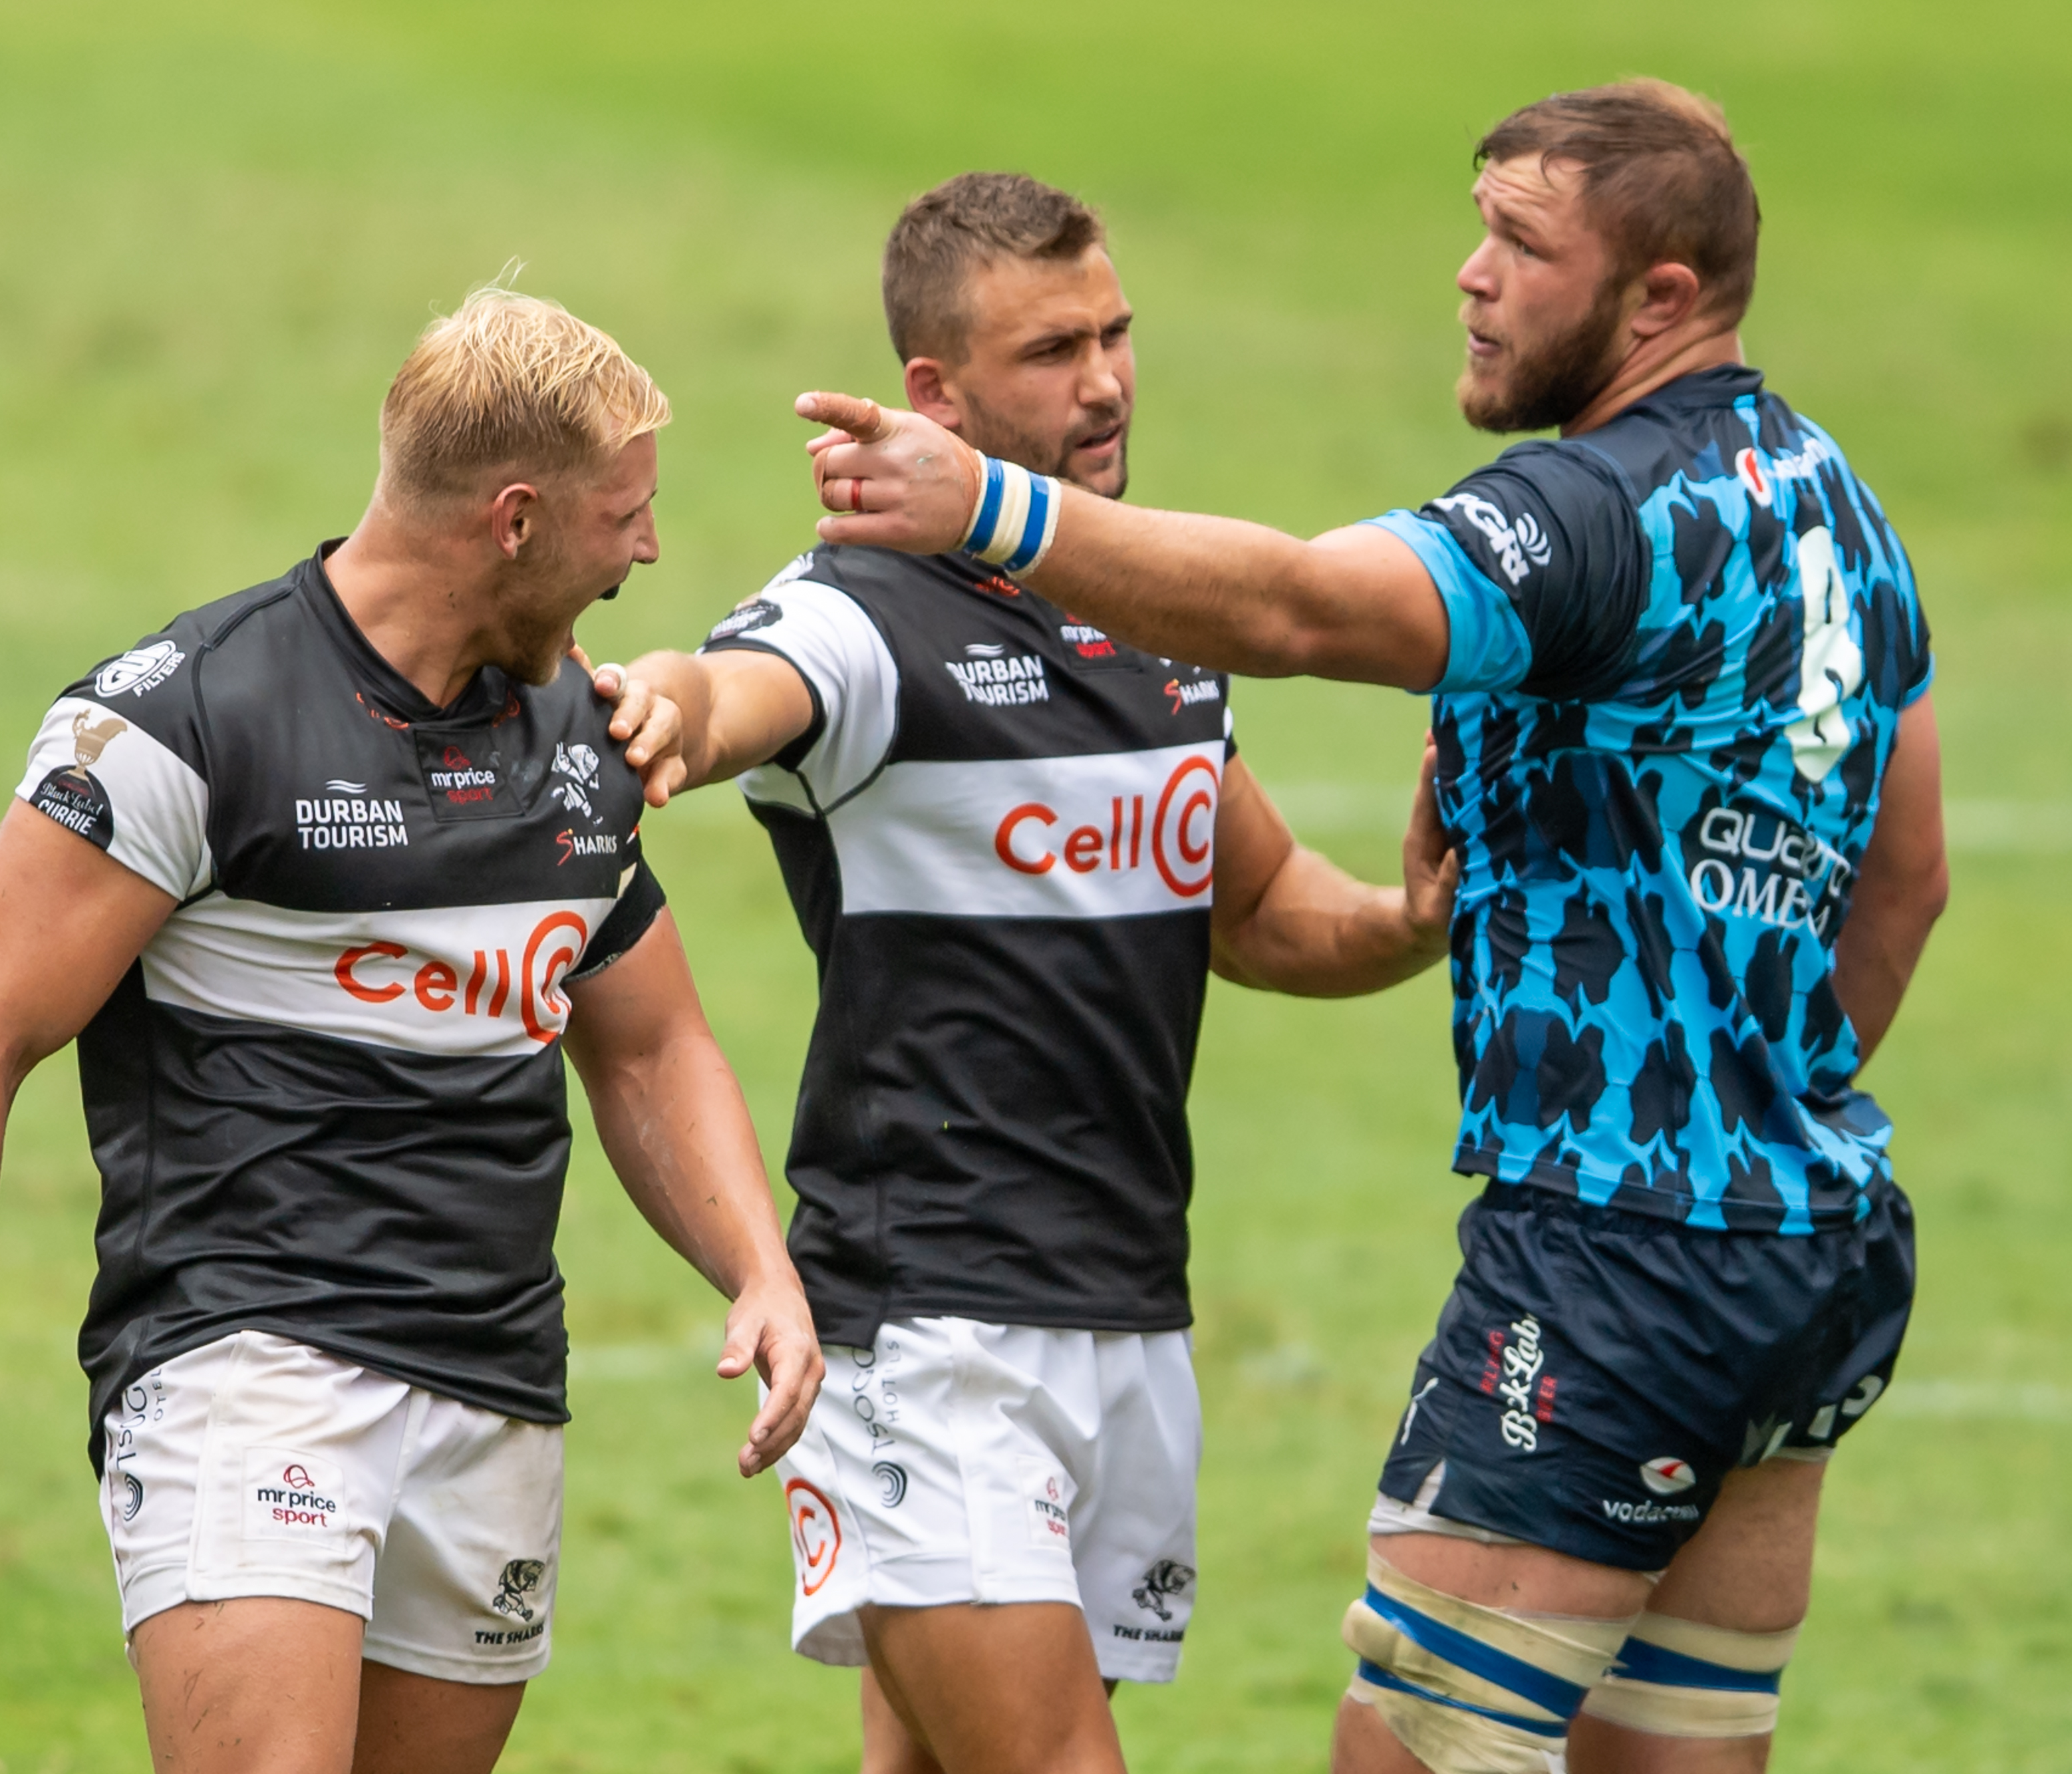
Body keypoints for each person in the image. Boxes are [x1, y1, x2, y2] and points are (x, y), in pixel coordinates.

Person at [789, 81, 1946, 1774]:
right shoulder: (1843, 505)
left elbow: (1293, 606)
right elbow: (1905, 879)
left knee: (1413, 1745)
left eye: (1521, 246)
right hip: (1810, 1249)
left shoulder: (1588, 513)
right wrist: (1754, 1109)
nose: (1471, 275)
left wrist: (990, 509)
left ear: (1656, 299)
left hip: (1612, 1257)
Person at [0, 287, 825, 1774]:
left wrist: (760, 1270)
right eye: (624, 517)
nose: (650, 552)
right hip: (247, 1367)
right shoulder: (185, 722)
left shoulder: (580, 739)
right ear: (514, 521)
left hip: (495, 1386)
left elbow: (647, 1044)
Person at [623, 173, 1457, 1774]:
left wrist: (1404, 920)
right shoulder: (864, 623)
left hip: (1126, 1310)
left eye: (1113, 334)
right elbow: (736, 688)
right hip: (930, 1325)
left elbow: (1254, 902)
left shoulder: (1155, 617)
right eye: (1051, 352)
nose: (1104, 382)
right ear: (932, 394)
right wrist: (666, 700)